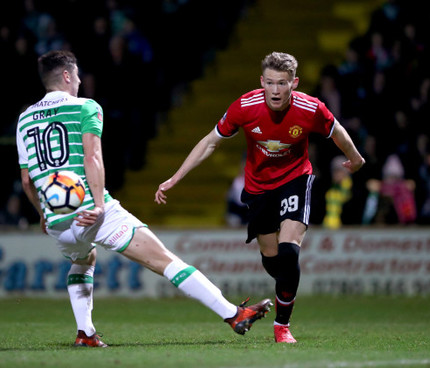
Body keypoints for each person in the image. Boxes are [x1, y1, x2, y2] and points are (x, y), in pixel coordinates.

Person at [16, 50, 271, 348]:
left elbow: (27, 180)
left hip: (58, 220)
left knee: (84, 260)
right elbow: (92, 156)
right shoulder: (85, 107)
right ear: (67, 76)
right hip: (91, 210)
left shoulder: (24, 119)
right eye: (78, 76)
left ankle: (85, 333)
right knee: (165, 260)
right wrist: (98, 205)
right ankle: (234, 315)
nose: (80, 81)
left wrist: (42, 214)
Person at [155, 52, 365, 343]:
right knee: (273, 260)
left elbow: (336, 130)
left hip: (295, 179)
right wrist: (176, 177)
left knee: (289, 252)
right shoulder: (245, 106)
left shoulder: (310, 107)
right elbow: (210, 142)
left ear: (295, 83)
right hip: (259, 188)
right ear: (261, 82)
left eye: (282, 83)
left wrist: (354, 158)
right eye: (270, 83)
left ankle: (282, 326)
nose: (276, 90)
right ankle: (284, 288)